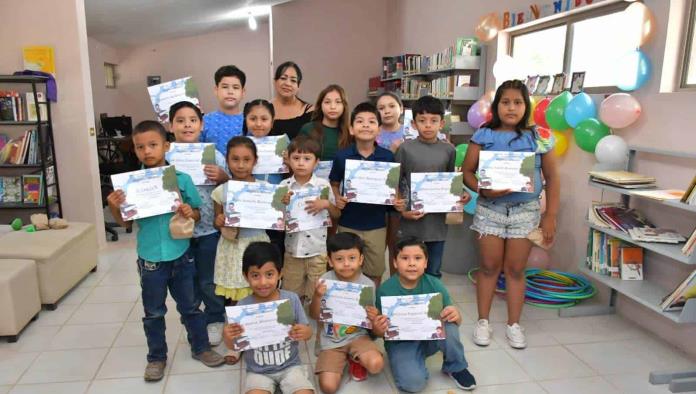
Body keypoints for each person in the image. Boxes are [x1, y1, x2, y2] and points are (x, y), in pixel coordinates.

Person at [106, 120, 224, 382]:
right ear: (134, 150)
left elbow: (196, 212)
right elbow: (126, 223)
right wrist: (114, 205)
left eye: (153, 145)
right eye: (140, 147)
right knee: (154, 312)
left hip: (181, 254)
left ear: (166, 146)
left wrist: (187, 211)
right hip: (150, 259)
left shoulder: (181, 180)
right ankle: (156, 357)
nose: (147, 151)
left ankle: (201, 347)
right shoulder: (130, 185)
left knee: (191, 307)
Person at [462, 79, 559, 350]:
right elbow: (467, 171)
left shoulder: (539, 136)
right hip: (489, 210)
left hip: (525, 211)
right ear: (497, 105)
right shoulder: (484, 134)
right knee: (489, 267)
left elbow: (552, 177)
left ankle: (514, 325)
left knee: (516, 270)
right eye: (505, 102)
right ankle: (483, 321)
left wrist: (550, 215)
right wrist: (484, 190)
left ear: (525, 105)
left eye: (517, 102)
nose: (511, 107)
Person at [373, 237, 476, 392]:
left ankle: (456, 367)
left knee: (449, 322)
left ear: (426, 263)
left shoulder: (435, 284)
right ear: (394, 262)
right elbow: (378, 332)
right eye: (405, 258)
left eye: (418, 258)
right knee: (413, 384)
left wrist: (456, 315)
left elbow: (456, 321)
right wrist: (378, 329)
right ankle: (413, 361)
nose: (412, 263)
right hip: (402, 342)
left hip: (430, 337)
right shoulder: (385, 290)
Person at [166, 101, 229, 346]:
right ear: (171, 126)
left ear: (201, 124)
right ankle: (193, 318)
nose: (187, 125)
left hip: (208, 229)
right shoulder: (166, 156)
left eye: (192, 120)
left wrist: (224, 177)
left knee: (208, 277)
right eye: (180, 121)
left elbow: (230, 188)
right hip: (178, 230)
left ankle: (215, 317)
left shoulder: (214, 155)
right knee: (186, 279)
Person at [329, 102, 406, 286]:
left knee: (375, 270)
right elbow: (334, 183)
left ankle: (371, 305)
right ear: (351, 129)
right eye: (360, 121)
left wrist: (396, 201)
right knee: (347, 269)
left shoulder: (387, 157)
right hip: (348, 222)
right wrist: (337, 197)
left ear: (379, 129)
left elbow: (392, 187)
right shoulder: (342, 156)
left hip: (377, 225)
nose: (365, 125)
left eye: (371, 122)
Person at [222, 242, 315, 394]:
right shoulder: (243, 307)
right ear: (246, 276)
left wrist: (305, 332)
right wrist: (227, 336)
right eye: (255, 275)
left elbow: (308, 333)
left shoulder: (291, 299)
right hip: (258, 371)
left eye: (269, 274)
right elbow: (234, 346)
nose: (263, 282)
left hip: (291, 366)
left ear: (280, 273)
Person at [395, 96, 471, 278]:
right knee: (408, 271)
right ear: (414, 124)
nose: (428, 125)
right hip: (411, 221)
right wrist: (403, 210)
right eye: (422, 121)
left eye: (433, 121)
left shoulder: (449, 150)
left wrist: (462, 193)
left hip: (436, 224)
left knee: (433, 271)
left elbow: (449, 181)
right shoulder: (405, 149)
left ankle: (432, 305)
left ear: (442, 123)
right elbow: (396, 183)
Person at [211, 136, 271, 363]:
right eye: (235, 159)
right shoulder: (221, 191)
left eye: (247, 159)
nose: (241, 164)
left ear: (255, 161)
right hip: (233, 247)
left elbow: (276, 216)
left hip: (257, 244)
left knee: (260, 291)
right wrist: (219, 220)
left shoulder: (265, 189)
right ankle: (236, 341)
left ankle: (259, 336)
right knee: (236, 297)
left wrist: (281, 202)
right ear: (227, 161)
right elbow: (218, 221)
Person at [309, 233, 384, 392]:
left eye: (352, 258)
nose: (346, 264)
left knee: (376, 365)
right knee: (328, 387)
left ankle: (356, 359)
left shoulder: (368, 285)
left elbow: (370, 324)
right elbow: (314, 315)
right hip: (332, 339)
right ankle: (345, 358)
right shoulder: (324, 281)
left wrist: (373, 316)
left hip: (358, 336)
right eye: (339, 259)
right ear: (330, 261)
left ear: (361, 259)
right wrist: (317, 296)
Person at [279, 135, 340, 302]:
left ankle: (314, 327)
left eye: (307, 158)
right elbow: (275, 220)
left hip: (317, 252)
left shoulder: (323, 185)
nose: (300, 163)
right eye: (296, 158)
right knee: (291, 296)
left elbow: (336, 214)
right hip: (292, 252)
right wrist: (281, 206)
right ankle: (295, 325)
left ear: (316, 162)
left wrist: (326, 204)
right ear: (288, 160)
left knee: (317, 296)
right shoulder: (283, 186)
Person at [243, 99, 287, 261]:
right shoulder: (241, 144)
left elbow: (292, 175)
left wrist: (289, 163)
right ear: (245, 120)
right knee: (253, 252)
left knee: (274, 251)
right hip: (250, 205)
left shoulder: (283, 144)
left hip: (276, 205)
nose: (258, 124)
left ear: (272, 121)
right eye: (253, 119)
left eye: (264, 119)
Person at [376, 93, 407, 275]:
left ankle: (396, 281)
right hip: (376, 195)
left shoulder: (410, 132)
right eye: (381, 108)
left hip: (401, 195)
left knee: (396, 244)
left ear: (401, 109)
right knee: (378, 244)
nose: (386, 111)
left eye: (391, 106)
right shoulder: (373, 131)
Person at [201, 65, 247, 156]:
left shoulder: (250, 121)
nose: (230, 91)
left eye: (236, 87)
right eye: (225, 87)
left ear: (243, 92)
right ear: (216, 90)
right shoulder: (204, 121)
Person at [299, 84, 352, 161]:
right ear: (320, 105)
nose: (333, 107)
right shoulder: (308, 129)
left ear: (344, 106)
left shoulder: (350, 132)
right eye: (327, 102)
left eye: (338, 102)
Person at [270, 61, 313, 140]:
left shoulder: (310, 111)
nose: (288, 84)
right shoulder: (264, 108)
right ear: (275, 82)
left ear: (298, 86)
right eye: (283, 78)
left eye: (293, 80)